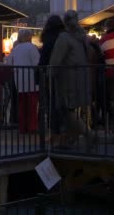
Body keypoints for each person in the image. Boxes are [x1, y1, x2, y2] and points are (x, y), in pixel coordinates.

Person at [49, 10, 95, 150]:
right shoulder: (82, 37)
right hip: (82, 76)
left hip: (68, 78)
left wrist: (49, 73)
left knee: (66, 108)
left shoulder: (64, 38)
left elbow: (56, 60)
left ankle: (88, 133)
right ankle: (70, 139)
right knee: (73, 108)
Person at [6, 29, 40, 134]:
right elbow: (37, 62)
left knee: (22, 105)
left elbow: (9, 62)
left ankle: (23, 127)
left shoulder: (16, 49)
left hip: (19, 80)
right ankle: (32, 127)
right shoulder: (32, 47)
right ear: (29, 37)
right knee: (32, 105)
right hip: (31, 80)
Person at [39, 15, 66, 144]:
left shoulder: (49, 38)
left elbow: (44, 57)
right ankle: (64, 134)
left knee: (52, 104)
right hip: (65, 74)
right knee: (63, 104)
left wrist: (39, 73)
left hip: (51, 74)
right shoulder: (64, 36)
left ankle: (55, 134)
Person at [99, 19, 114, 131]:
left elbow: (100, 56)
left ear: (107, 28)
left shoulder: (103, 40)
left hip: (110, 73)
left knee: (112, 99)